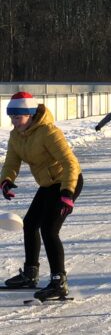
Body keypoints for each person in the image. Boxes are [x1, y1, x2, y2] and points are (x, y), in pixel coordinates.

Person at [2, 91, 83, 300]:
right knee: (30, 224)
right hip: (48, 185)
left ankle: (59, 282)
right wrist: (6, 180)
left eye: (17, 117)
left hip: (67, 181)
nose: (14, 122)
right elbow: (11, 162)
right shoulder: (16, 136)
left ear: (29, 114)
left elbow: (70, 164)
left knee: (49, 228)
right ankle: (30, 273)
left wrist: (67, 192)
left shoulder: (48, 132)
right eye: (11, 117)